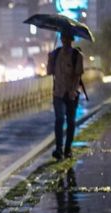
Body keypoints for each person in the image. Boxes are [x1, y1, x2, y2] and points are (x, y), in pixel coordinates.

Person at [47, 31, 84, 160]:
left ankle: (68, 149)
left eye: (67, 38)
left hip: (71, 93)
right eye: (63, 37)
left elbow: (78, 74)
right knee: (59, 119)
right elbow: (49, 72)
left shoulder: (77, 55)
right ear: (61, 39)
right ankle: (58, 149)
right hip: (58, 93)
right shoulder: (56, 54)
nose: (65, 40)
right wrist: (50, 60)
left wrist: (73, 91)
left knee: (71, 122)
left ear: (71, 39)